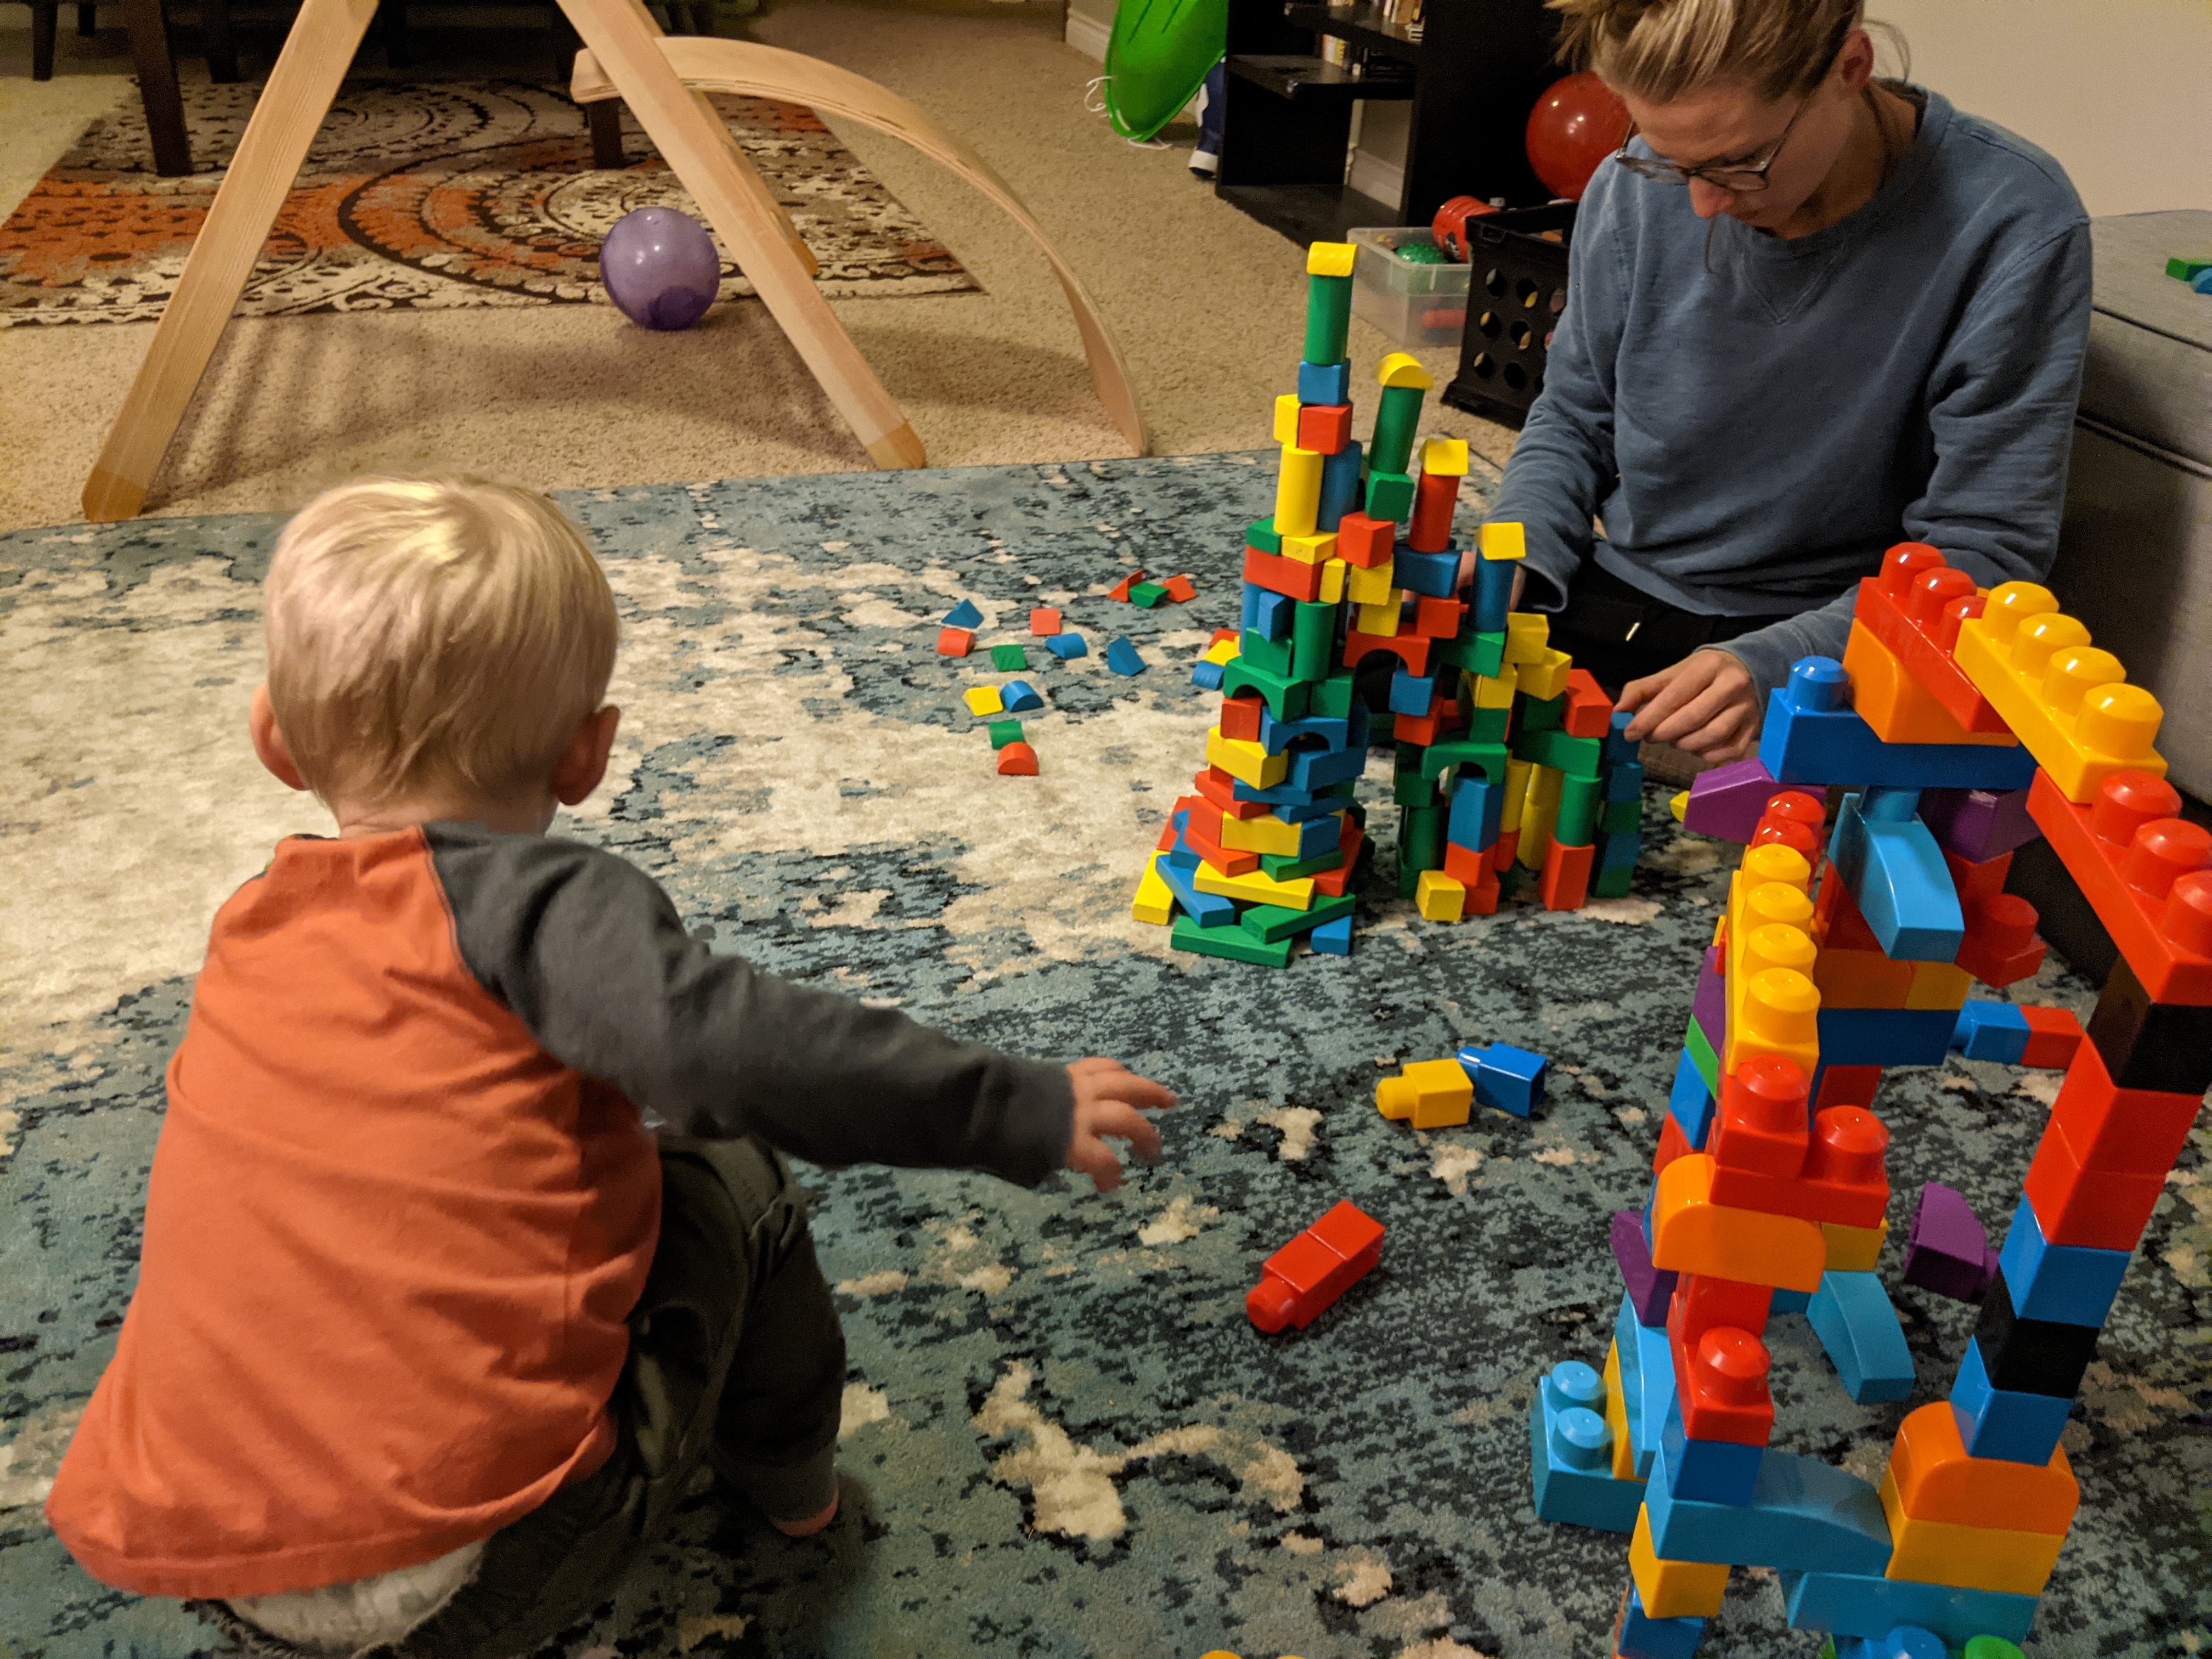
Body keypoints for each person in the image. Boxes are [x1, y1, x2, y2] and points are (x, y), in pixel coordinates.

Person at [44, 477, 1175, 1658]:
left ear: (273, 737)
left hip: (214, 1554)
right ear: (590, 755)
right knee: (734, 1170)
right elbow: (731, 1052)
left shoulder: (251, 925)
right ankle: (794, 1488)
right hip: (486, 1565)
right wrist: (1014, 1106)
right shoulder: (545, 904)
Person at [1475, 0, 2091, 764]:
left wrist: (1773, 668)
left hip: (1838, 636)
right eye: (1673, 164)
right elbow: (1574, 414)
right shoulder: (1630, 188)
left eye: (1742, 163)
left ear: (1852, 68)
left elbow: (1986, 547)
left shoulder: (2014, 222)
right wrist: (1520, 550)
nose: (1703, 203)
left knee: (1819, 858)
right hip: (1628, 593)